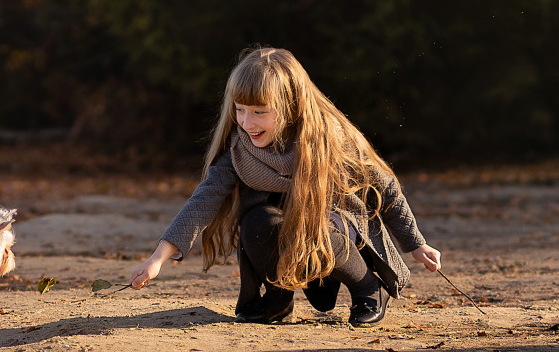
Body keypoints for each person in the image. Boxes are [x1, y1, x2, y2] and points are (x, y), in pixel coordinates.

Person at [128, 46, 441, 326]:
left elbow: (384, 186)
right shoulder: (239, 149)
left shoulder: (328, 139)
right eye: (239, 109)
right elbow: (204, 200)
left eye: (260, 112)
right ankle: (277, 298)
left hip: (333, 226)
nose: (246, 123)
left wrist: (415, 244)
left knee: (309, 227)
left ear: (290, 106)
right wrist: (158, 258)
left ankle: (366, 287)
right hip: (283, 230)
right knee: (258, 223)